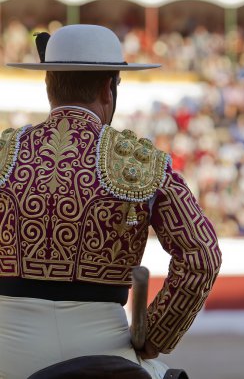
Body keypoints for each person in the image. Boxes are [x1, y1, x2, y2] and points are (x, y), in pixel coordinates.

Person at [0, 24, 222, 379]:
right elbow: (202, 257)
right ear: (109, 88)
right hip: (102, 351)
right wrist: (154, 335)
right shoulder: (141, 162)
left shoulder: (4, 152)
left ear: (48, 85)